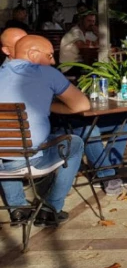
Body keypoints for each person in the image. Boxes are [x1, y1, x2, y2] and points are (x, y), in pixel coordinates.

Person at [0, 36, 87, 227]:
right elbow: (82, 105)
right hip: (32, 160)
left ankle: (18, 209)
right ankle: (51, 209)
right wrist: (50, 106)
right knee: (75, 142)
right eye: (49, 55)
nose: (53, 61)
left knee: (7, 143)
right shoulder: (46, 73)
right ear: (33, 54)